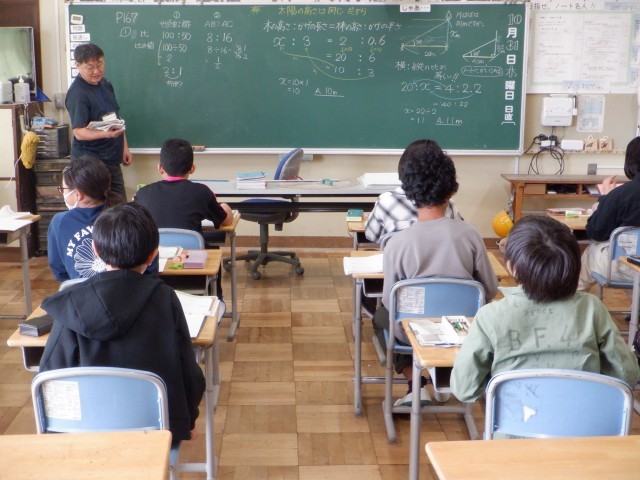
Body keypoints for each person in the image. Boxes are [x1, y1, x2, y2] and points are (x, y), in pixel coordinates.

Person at [39, 202, 206, 443]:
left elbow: (51, 373)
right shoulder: (165, 298)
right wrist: (188, 419)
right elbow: (188, 371)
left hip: (87, 433)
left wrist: (59, 430)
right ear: (153, 254)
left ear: (95, 250)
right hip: (156, 431)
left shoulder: (72, 303)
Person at [451, 215, 640, 403]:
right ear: (573, 263)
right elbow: (628, 374)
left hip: (517, 419)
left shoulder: (491, 316)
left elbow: (464, 389)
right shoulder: (592, 308)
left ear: (512, 267)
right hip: (583, 418)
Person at [372, 138, 499, 407]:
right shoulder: (470, 234)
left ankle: (416, 384)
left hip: (413, 331)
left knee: (381, 317)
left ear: (409, 193)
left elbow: (389, 301)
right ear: (451, 190)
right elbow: (488, 288)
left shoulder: (397, 244)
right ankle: (450, 375)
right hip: (463, 328)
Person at [134, 138, 233, 298]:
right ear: (192, 168)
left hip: (154, 269)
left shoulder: (143, 193)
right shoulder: (201, 192)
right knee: (213, 250)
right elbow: (225, 221)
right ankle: (217, 300)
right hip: (193, 270)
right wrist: (226, 208)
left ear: (160, 168)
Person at [66, 43, 131, 200]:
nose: (96, 71)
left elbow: (116, 119)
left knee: (119, 205)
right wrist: (106, 134)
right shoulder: (78, 93)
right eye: (90, 67)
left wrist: (124, 148)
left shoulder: (105, 84)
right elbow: (79, 132)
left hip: (111, 160)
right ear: (77, 65)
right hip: (90, 164)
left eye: (100, 64)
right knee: (96, 206)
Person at [578, 136, 640, 291]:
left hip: (629, 265)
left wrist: (605, 198)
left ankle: (571, 299)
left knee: (591, 252)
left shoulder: (621, 194)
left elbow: (596, 233)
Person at [47, 155, 123, 281]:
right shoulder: (125, 216)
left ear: (78, 194)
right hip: (123, 290)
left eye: (63, 189)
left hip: (79, 292)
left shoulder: (59, 222)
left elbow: (60, 272)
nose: (62, 193)